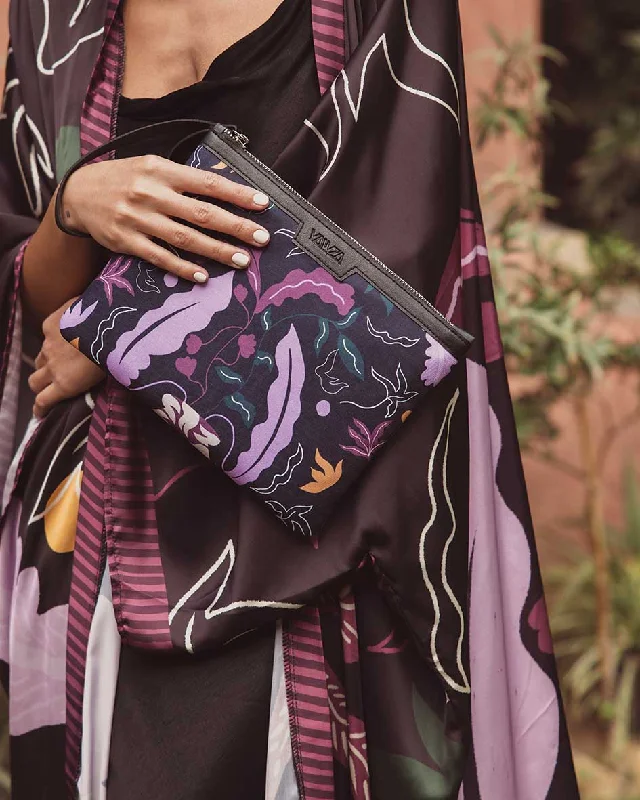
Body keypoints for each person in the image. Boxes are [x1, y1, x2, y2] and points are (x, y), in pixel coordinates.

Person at [0, 0, 581, 798]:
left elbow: (390, 304)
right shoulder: (52, 18)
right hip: (97, 551)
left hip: (320, 561)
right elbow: (35, 299)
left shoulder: (381, 11)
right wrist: (75, 205)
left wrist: (120, 325)